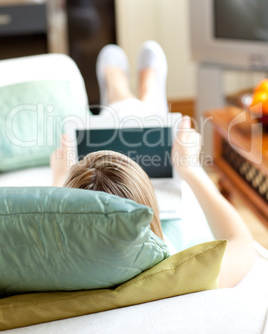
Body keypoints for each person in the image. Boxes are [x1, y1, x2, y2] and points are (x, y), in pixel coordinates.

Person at [50, 41, 256, 288]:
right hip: (175, 222)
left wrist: (60, 181)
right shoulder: (179, 276)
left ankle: (121, 93)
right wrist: (189, 168)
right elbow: (242, 242)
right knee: (139, 121)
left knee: (124, 118)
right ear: (150, 212)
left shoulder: (60, 274)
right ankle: (142, 97)